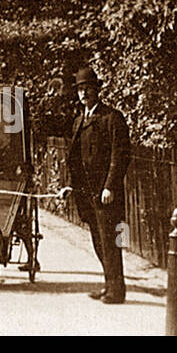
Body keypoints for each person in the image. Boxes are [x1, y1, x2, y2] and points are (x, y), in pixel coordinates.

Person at [67, 67, 132, 304]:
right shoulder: (78, 121)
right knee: (98, 241)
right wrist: (70, 187)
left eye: (87, 88)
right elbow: (73, 159)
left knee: (110, 241)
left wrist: (110, 187)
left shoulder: (111, 118)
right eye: (80, 89)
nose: (83, 93)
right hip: (86, 193)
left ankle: (117, 290)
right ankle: (108, 285)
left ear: (97, 90)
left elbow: (121, 155)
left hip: (105, 193)